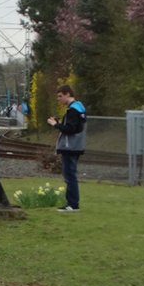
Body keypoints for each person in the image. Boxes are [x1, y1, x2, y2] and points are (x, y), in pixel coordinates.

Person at [47, 84, 86, 212]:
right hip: (76, 145)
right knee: (71, 175)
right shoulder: (80, 107)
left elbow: (70, 129)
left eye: (60, 96)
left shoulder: (73, 110)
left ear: (67, 94)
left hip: (70, 146)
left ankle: (73, 204)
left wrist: (55, 125)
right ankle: (72, 203)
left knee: (70, 176)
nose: (58, 99)